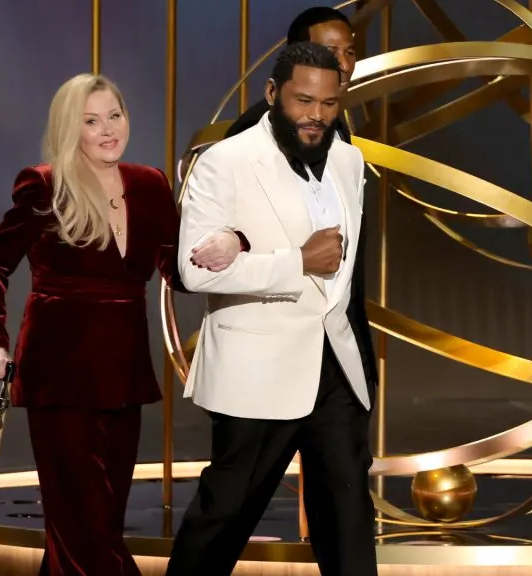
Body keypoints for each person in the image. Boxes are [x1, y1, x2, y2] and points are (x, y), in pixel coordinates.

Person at [0, 73, 244, 576]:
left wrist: (233, 240)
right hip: (59, 374)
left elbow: (178, 271)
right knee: (85, 531)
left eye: (114, 116)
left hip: (123, 373)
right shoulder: (44, 183)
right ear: (70, 129)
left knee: (92, 528)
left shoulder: (150, 184)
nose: (107, 130)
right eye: (91, 121)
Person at [166, 42, 378, 576]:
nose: (316, 116)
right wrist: (298, 262)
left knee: (350, 522)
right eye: (303, 101)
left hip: (333, 369)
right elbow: (194, 272)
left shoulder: (349, 161)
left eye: (329, 104)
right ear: (272, 94)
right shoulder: (225, 161)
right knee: (225, 515)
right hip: (257, 371)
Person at [223, 5, 375, 387]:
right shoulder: (252, 133)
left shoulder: (339, 132)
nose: (342, 65)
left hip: (333, 347)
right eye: (329, 52)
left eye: (349, 53)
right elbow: (232, 248)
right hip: (271, 351)